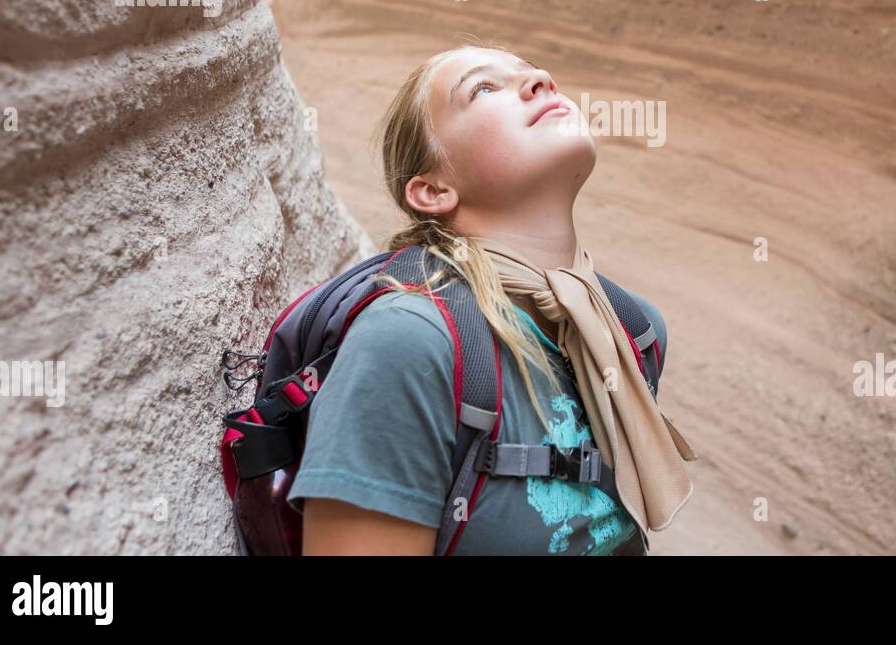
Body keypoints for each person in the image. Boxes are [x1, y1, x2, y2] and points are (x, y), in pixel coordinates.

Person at [285, 42, 696, 554]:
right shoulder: (409, 342)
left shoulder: (628, 330)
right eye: (484, 88)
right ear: (432, 191)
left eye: (532, 71)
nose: (541, 78)